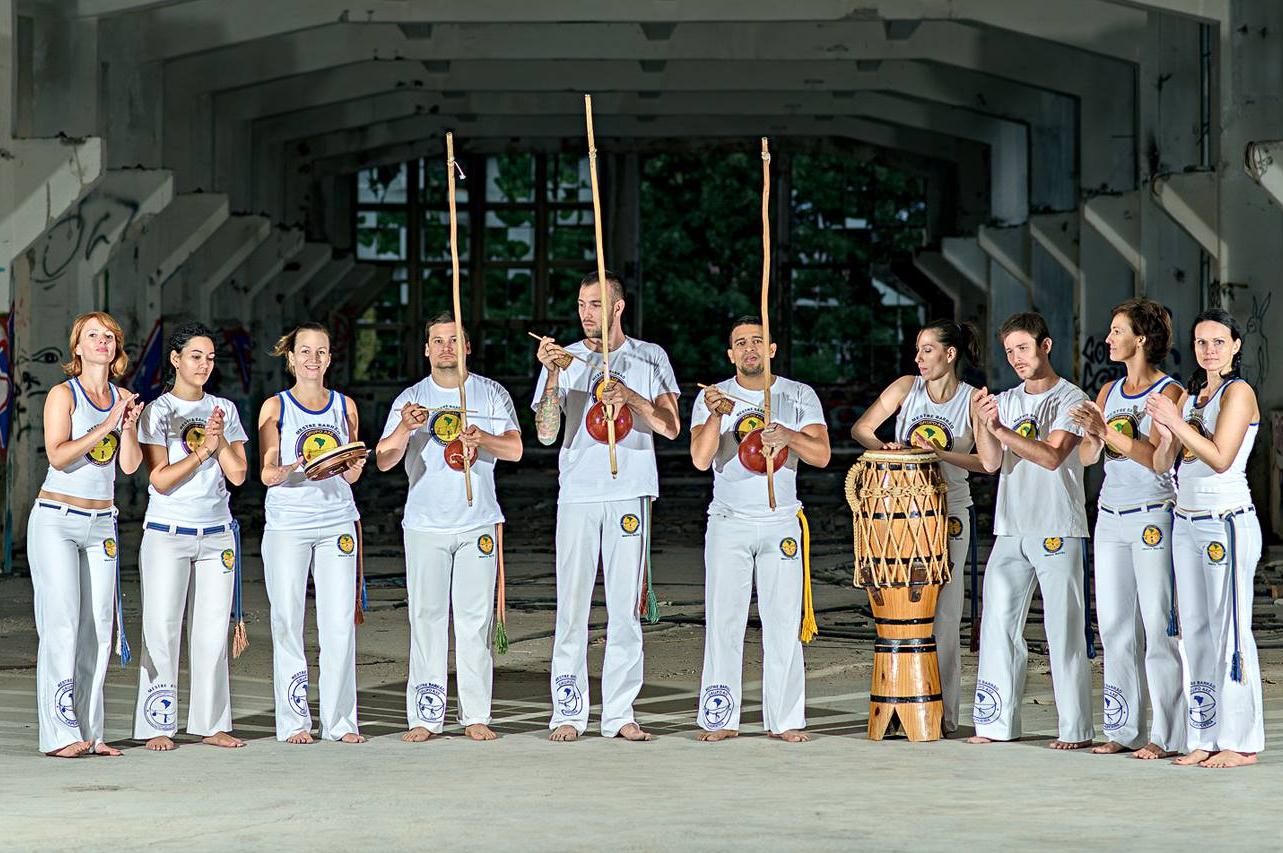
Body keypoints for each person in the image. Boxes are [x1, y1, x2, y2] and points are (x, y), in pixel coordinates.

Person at [532, 271, 680, 742]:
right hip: (578, 492)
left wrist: (631, 397)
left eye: (595, 304)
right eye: (580, 304)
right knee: (571, 607)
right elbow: (546, 431)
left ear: (618, 307)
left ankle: (619, 712)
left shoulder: (649, 356)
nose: (585, 313)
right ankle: (569, 711)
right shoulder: (567, 358)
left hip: (629, 489)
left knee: (624, 608)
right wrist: (555, 373)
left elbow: (672, 427)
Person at [376, 314, 522, 742]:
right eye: (437, 341)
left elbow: (514, 449)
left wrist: (483, 440)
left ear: (467, 347)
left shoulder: (491, 393)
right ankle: (426, 715)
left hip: (477, 520)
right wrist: (406, 426)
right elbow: (383, 460)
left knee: (475, 621)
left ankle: (475, 714)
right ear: (425, 349)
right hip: (425, 522)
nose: (445, 347)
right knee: (427, 618)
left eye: (454, 340)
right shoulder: (412, 398)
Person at [690, 317, 829, 743]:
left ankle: (785, 720)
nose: (749, 348)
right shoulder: (715, 396)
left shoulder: (797, 394)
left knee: (783, 622)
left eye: (757, 341)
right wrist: (715, 418)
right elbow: (699, 458)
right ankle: (720, 717)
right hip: (729, 521)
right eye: (740, 343)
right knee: (724, 621)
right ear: (730, 354)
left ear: (771, 349)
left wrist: (786, 434)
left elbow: (821, 454)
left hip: (781, 519)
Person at [852, 319, 986, 735]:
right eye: (917, 349)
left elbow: (985, 462)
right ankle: (898, 705)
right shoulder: (906, 387)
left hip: (949, 514)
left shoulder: (971, 400)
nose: (919, 358)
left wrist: (938, 453)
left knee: (944, 615)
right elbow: (862, 429)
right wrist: (887, 448)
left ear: (950, 354)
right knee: (900, 614)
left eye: (927, 350)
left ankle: (941, 713)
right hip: (898, 513)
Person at [968, 312, 1094, 750]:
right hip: (1011, 527)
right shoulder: (1004, 399)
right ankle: (994, 723)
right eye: (1009, 352)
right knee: (997, 625)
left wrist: (999, 427)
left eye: (1023, 348)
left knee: (1064, 630)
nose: (1017, 358)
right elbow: (989, 462)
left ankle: (1075, 729)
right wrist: (984, 424)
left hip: (1058, 527)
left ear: (1046, 346)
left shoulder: (1072, 399)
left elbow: (1052, 456)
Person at [1146, 308, 1263, 769]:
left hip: (1225, 520)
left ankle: (1240, 741)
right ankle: (1205, 733)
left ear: (1235, 346)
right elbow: (1162, 463)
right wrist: (1163, 428)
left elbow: (1219, 458)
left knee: (1229, 629)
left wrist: (1175, 424)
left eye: (1218, 341)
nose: (1209, 350)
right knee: (1193, 630)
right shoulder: (1193, 395)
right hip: (1187, 519)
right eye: (1201, 342)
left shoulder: (1239, 393)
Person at [1069, 299, 1185, 759]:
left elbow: (1159, 459)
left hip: (1153, 513)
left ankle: (1168, 734)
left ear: (1141, 339)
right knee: (1115, 625)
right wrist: (1093, 435)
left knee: (1158, 626)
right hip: (1111, 513)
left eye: (1118, 331)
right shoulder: (1107, 391)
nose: (1109, 338)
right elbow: (1085, 459)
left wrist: (1110, 433)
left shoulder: (1170, 393)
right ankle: (1123, 727)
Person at [29, 311, 142, 757]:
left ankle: (91, 733)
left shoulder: (121, 398)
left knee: (98, 629)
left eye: (109, 336)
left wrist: (128, 426)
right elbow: (59, 456)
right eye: (92, 336)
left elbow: (129, 466)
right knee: (61, 625)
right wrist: (109, 422)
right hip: (57, 518)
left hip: (103, 523)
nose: (102, 342)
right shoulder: (64, 394)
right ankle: (59, 735)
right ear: (77, 347)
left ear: (116, 348)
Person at [132, 323, 249, 751]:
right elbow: (160, 480)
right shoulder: (158, 411)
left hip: (216, 533)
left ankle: (211, 722)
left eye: (210, 358)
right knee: (161, 627)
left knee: (212, 631)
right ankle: (157, 722)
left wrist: (219, 445)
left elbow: (238, 474)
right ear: (176, 359)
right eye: (196, 356)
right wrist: (203, 450)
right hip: (167, 532)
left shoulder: (224, 409)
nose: (204, 364)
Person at [256, 322, 366, 744]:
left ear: (330, 358)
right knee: (287, 621)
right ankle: (295, 721)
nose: (313, 359)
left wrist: (355, 466)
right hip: (288, 524)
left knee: (338, 622)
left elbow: (352, 472)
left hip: (337, 520)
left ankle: (340, 722)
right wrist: (292, 468)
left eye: (321, 352)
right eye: (305, 351)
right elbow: (267, 472)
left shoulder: (345, 406)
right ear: (291, 358)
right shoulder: (276, 407)